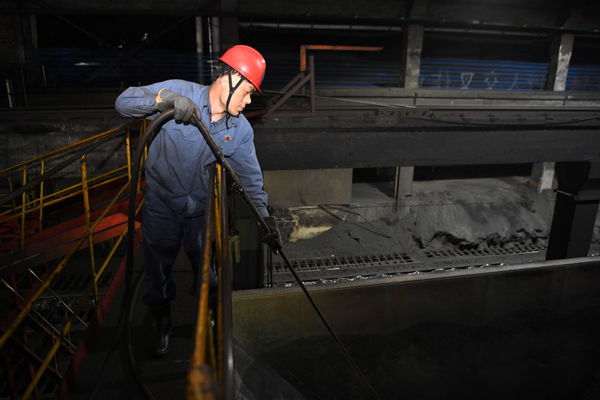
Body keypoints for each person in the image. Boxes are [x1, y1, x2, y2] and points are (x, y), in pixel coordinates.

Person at [115, 45, 281, 357]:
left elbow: (249, 177)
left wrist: (264, 218)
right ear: (230, 77)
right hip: (162, 202)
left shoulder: (240, 131)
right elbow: (123, 102)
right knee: (157, 265)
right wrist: (162, 100)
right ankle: (162, 320)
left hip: (201, 210)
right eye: (247, 92)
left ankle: (210, 314)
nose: (248, 101)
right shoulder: (180, 91)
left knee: (207, 265)